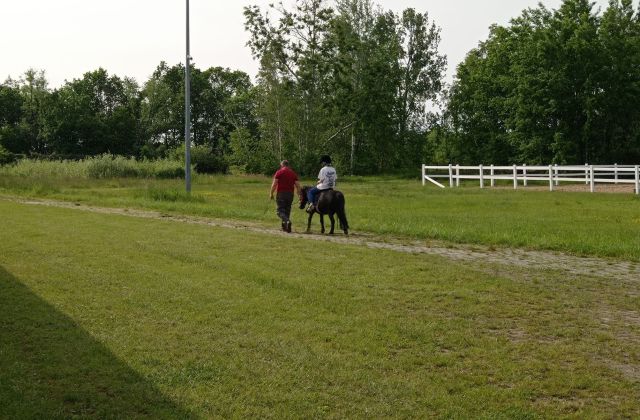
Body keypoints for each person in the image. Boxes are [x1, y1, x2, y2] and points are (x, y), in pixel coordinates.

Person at [270, 160, 301, 233]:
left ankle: (287, 221)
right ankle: (285, 227)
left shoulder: (279, 172)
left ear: (282, 165)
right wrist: (299, 194)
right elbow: (298, 185)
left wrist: (271, 193)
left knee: (279, 211)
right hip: (290, 194)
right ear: (288, 165)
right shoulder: (293, 173)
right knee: (287, 210)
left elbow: (274, 184)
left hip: (281, 193)